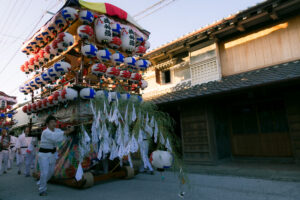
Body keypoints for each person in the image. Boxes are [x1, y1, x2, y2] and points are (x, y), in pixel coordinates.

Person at [38, 115, 74, 196]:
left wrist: (68, 131)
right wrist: (66, 132)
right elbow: (55, 137)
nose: (54, 124)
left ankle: (41, 182)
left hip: (52, 154)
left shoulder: (57, 130)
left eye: (55, 122)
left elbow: (62, 136)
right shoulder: (45, 132)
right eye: (51, 122)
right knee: (44, 172)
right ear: (47, 124)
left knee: (50, 172)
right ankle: (42, 189)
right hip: (43, 155)